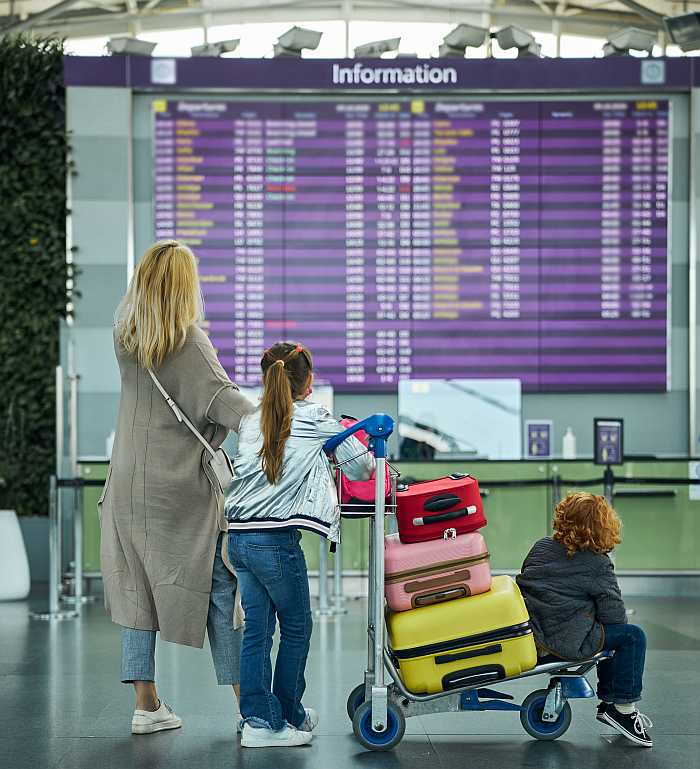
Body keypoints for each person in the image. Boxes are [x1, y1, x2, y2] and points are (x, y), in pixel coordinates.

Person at [99, 240, 255, 735]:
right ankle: (250, 706)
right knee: (222, 587)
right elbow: (227, 406)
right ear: (184, 285)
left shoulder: (125, 337)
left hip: (126, 483)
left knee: (136, 588)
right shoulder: (188, 340)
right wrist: (285, 419)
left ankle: (147, 707)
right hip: (181, 489)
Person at [225, 341, 374, 748]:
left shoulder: (251, 420)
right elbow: (363, 468)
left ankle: (262, 715)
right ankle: (274, 720)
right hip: (274, 541)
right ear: (308, 380)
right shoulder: (314, 416)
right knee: (296, 627)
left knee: (257, 630)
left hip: (237, 538)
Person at [516, 492, 653, 748]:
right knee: (632, 636)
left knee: (611, 634)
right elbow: (614, 617)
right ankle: (622, 709)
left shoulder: (541, 546)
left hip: (534, 635)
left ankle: (611, 704)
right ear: (602, 526)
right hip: (567, 641)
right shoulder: (597, 564)